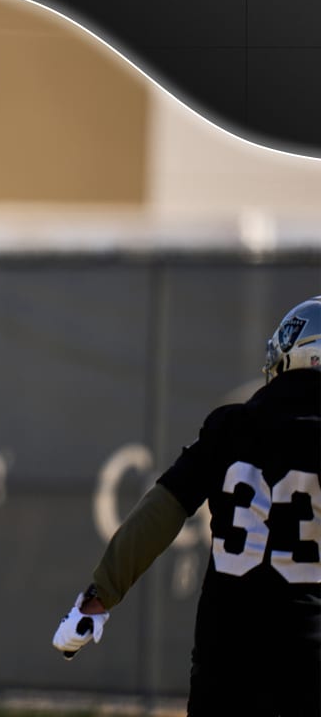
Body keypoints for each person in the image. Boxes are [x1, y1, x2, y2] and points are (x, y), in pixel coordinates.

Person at [52, 295, 321, 716]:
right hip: (307, 656)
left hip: (225, 655)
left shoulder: (229, 426)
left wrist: (99, 596)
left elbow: (160, 512)